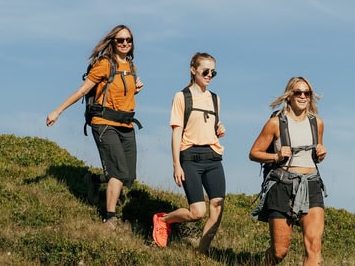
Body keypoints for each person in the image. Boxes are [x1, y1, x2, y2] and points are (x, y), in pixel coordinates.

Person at [46, 25, 144, 226]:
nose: (125, 43)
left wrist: (136, 89)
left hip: (126, 125)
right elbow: (82, 91)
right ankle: (110, 219)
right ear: (113, 42)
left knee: (128, 177)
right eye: (120, 40)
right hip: (104, 124)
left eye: (129, 40)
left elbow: (121, 94)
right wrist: (58, 110)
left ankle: (92, 180)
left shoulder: (132, 68)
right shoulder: (104, 64)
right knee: (117, 173)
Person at [248, 77, 328, 266]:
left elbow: (315, 154)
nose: (303, 96)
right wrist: (275, 156)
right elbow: (254, 153)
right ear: (289, 96)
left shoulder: (316, 122)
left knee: (313, 245)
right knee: (279, 251)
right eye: (298, 93)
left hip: (311, 184)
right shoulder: (276, 123)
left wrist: (320, 154)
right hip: (282, 185)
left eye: (307, 93)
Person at [152, 53, 226, 253]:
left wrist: (219, 129)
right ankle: (163, 219)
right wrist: (176, 164)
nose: (210, 75)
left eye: (213, 72)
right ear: (193, 70)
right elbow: (176, 132)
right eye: (206, 71)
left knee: (217, 209)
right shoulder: (181, 97)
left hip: (213, 157)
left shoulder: (215, 98)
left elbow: (211, 124)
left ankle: (201, 253)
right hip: (190, 157)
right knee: (197, 212)